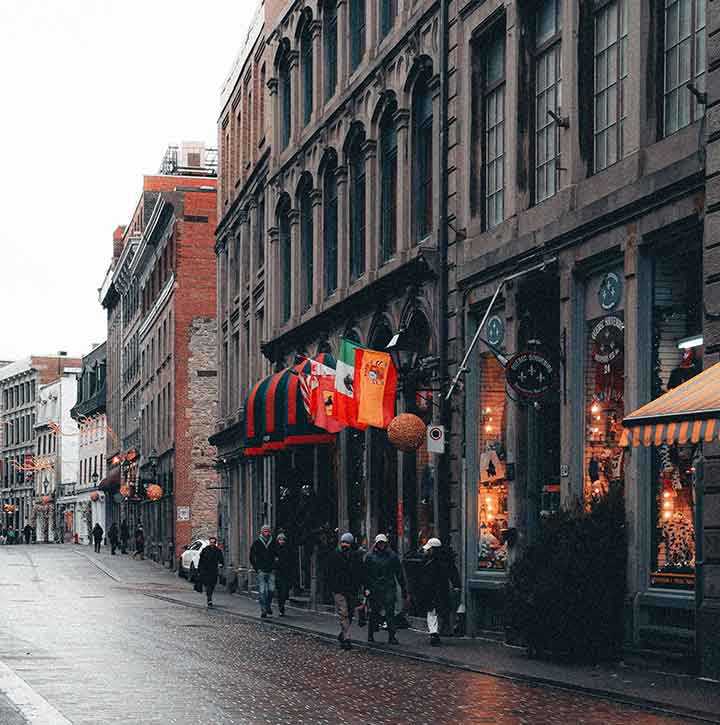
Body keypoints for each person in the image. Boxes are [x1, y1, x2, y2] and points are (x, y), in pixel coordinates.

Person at [364, 533, 407, 645]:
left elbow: (399, 573)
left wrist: (404, 589)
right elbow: (366, 574)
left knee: (390, 612)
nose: (381, 545)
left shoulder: (392, 556)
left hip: (388, 587)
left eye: (383, 543)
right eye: (380, 543)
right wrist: (366, 588)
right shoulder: (370, 556)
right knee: (374, 611)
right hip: (375, 587)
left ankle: (392, 636)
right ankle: (371, 634)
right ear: (376, 544)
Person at [420, 538, 461, 647]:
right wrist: (456, 585)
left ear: (434, 549)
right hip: (439, 590)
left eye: (430, 549)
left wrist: (456, 584)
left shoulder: (432, 561)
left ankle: (436, 632)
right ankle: (435, 633)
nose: (428, 551)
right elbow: (453, 573)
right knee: (435, 611)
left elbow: (452, 573)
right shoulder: (445, 560)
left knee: (434, 611)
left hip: (435, 590)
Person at [326, 532, 364, 650]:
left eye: (347, 542)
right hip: (338, 589)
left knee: (350, 613)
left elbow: (360, 573)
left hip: (351, 590)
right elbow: (328, 572)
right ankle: (347, 639)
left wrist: (361, 587)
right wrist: (332, 586)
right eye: (343, 542)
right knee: (344, 613)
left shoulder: (356, 556)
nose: (344, 544)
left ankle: (342, 635)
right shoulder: (335, 555)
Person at [250, 525, 276, 618]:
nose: (267, 533)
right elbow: (252, 556)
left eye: (268, 531)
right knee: (262, 591)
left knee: (271, 590)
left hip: (271, 570)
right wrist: (257, 568)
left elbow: (276, 555)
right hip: (261, 570)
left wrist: (274, 566)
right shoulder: (257, 543)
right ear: (261, 532)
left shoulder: (273, 542)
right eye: (265, 531)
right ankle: (263, 609)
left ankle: (268, 605)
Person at [198, 536, 224, 607]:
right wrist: (200, 570)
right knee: (207, 584)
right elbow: (201, 560)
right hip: (205, 570)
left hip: (213, 571)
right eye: (211, 542)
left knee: (212, 585)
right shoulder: (205, 550)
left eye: (213, 542)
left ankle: (209, 595)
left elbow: (221, 560)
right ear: (209, 542)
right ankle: (209, 599)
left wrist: (221, 564)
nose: (212, 543)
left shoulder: (218, 551)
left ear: (215, 543)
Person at [274, 533, 295, 616]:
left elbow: (291, 561)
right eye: (280, 540)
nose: (281, 541)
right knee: (280, 592)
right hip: (279, 574)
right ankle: (281, 608)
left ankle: (282, 606)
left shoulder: (288, 550)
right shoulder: (275, 550)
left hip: (286, 574)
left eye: (283, 540)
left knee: (285, 591)